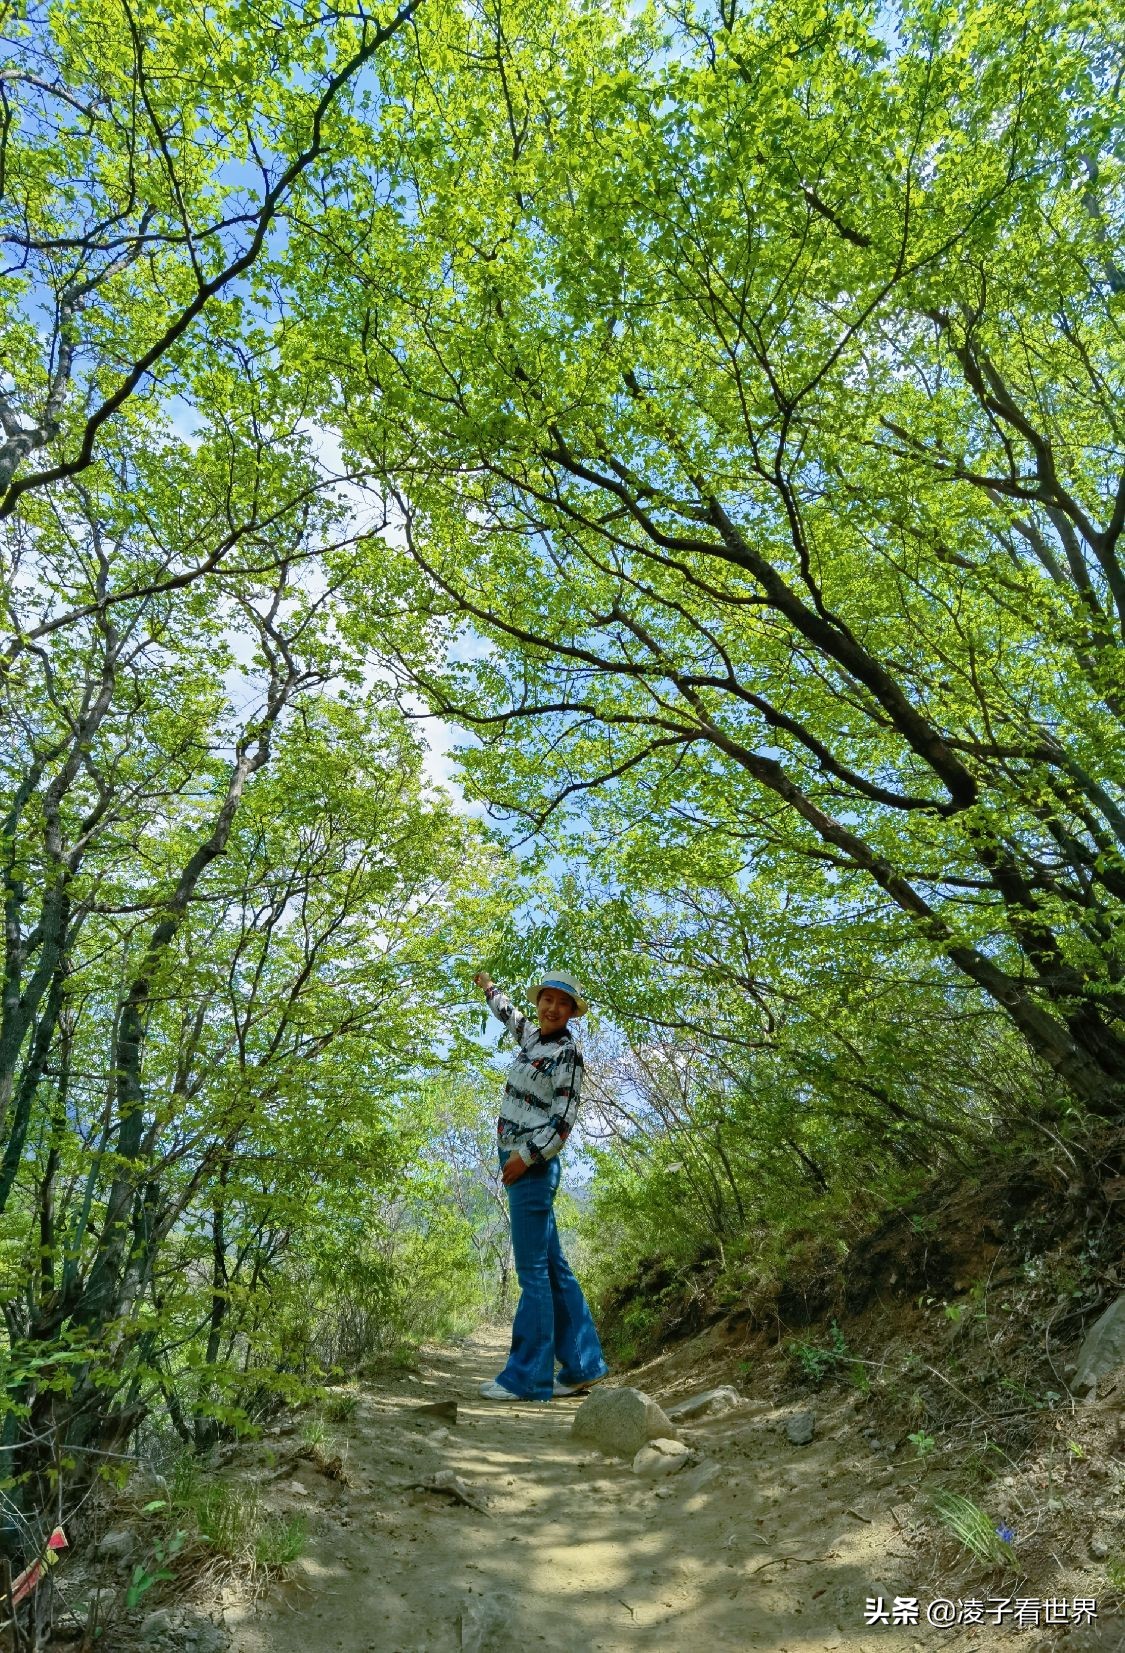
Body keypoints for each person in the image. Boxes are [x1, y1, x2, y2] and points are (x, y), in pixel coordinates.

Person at [472, 969, 609, 1402]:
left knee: (532, 1273)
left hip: (529, 1163)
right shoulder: (533, 1038)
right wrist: (489, 988)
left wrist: (524, 1158)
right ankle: (582, 1366)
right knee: (553, 1268)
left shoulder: (568, 1054)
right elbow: (508, 1015)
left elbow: (563, 1123)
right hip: (518, 1159)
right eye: (546, 1000)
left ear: (572, 1012)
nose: (551, 1008)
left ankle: (527, 1378)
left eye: (561, 1003)